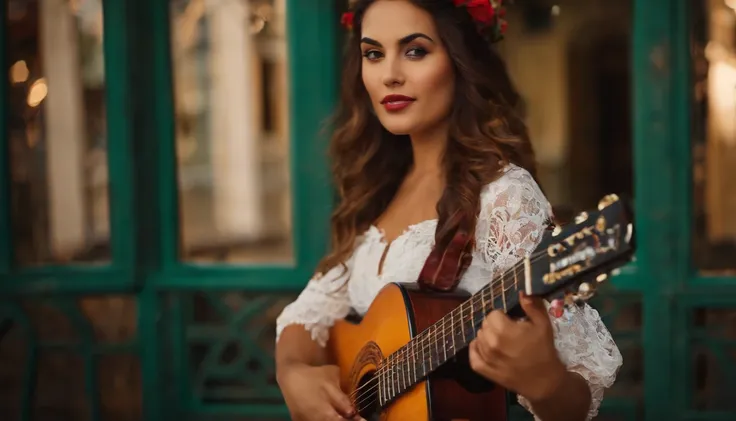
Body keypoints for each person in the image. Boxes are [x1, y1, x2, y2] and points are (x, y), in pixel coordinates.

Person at [274, 1, 623, 420]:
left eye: (415, 50)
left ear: (461, 61)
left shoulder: (502, 195)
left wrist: (545, 381)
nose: (389, 75)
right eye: (373, 54)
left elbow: (578, 396)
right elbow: (306, 316)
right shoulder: (378, 190)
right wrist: (294, 372)